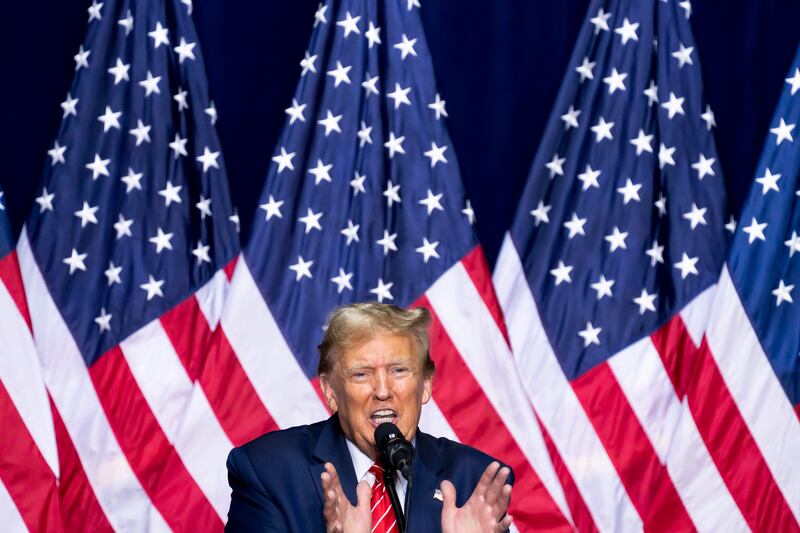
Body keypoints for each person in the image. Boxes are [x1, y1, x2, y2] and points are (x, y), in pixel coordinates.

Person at [225, 302, 514, 532]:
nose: (383, 391)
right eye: (361, 374)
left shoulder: (477, 481)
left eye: (399, 370)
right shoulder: (267, 472)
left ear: (425, 384)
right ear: (330, 391)